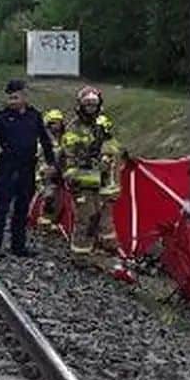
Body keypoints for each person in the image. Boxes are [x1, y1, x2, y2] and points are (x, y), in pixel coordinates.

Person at [0, 79, 56, 257]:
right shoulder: (2, 116)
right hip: (8, 167)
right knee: (1, 207)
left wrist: (51, 162)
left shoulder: (34, 116)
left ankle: (18, 246)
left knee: (22, 208)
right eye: (10, 98)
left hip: (28, 166)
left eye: (16, 98)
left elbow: (45, 140)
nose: (12, 102)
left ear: (24, 97)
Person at [61, 86, 123, 256]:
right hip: (83, 182)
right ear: (80, 106)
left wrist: (109, 154)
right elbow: (68, 162)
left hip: (102, 183)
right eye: (87, 105)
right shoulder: (72, 130)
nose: (91, 109)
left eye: (94, 105)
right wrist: (90, 164)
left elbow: (114, 149)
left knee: (105, 221)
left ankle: (107, 250)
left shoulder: (103, 127)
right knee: (86, 219)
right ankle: (80, 254)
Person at [33, 109, 66, 231]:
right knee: (49, 195)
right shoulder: (43, 140)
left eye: (58, 122)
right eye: (53, 123)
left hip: (60, 173)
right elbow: (38, 158)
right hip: (45, 173)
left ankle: (55, 219)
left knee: (60, 197)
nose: (56, 126)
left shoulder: (64, 139)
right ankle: (43, 220)